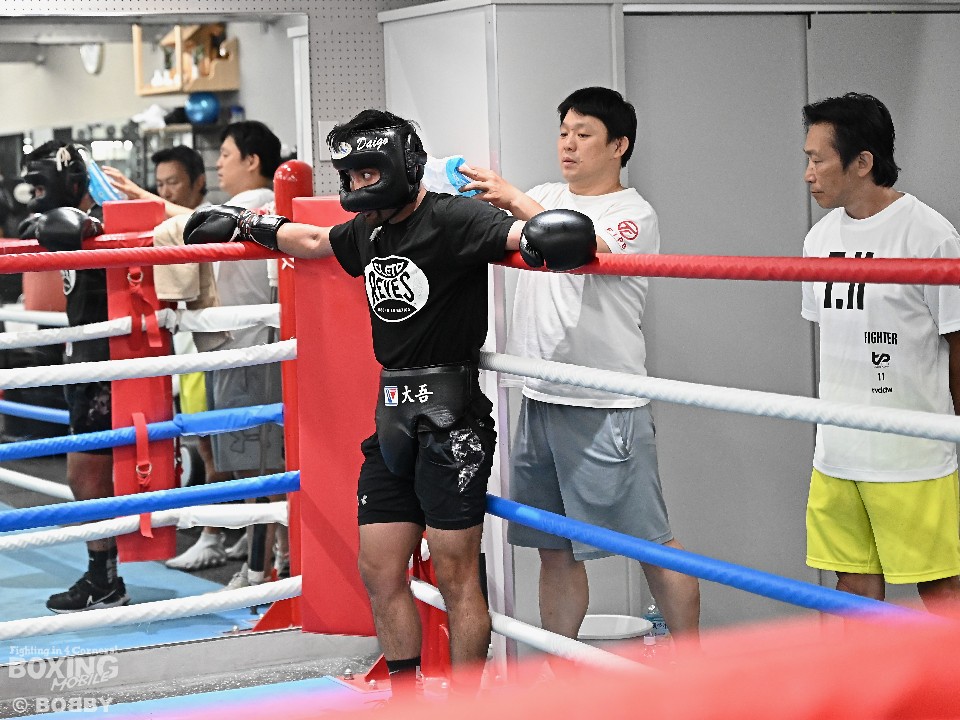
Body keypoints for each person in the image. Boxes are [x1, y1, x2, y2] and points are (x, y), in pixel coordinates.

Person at [181, 108, 596, 700]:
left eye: (367, 174)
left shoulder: (454, 218)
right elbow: (316, 241)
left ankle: (465, 707)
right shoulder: (370, 228)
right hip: (393, 416)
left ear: (402, 165)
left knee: (455, 575)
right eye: (350, 177)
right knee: (379, 569)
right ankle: (406, 700)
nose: (357, 187)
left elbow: (521, 240)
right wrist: (250, 225)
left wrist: (545, 226)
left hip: (452, 421)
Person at [457, 87, 701, 655]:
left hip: (605, 404)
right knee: (555, 548)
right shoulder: (544, 196)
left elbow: (576, 242)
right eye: (564, 131)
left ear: (619, 146)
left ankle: (694, 669)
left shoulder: (631, 213)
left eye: (584, 133)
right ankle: (560, 674)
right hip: (539, 394)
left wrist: (514, 198)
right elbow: (495, 225)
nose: (568, 143)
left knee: (650, 544)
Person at [800, 92, 960, 609]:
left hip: (912, 453)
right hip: (838, 450)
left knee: (939, 588)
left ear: (862, 162)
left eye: (818, 159)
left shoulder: (930, 235)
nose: (808, 174)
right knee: (852, 589)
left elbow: (958, 341)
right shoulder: (819, 238)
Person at [18, 141, 128, 612]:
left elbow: (82, 226)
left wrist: (80, 223)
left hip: (107, 360)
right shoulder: (71, 224)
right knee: (89, 474)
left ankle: (105, 579)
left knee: (86, 473)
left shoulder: (102, 222)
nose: (36, 194)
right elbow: (40, 225)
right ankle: (104, 577)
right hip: (87, 358)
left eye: (43, 184)